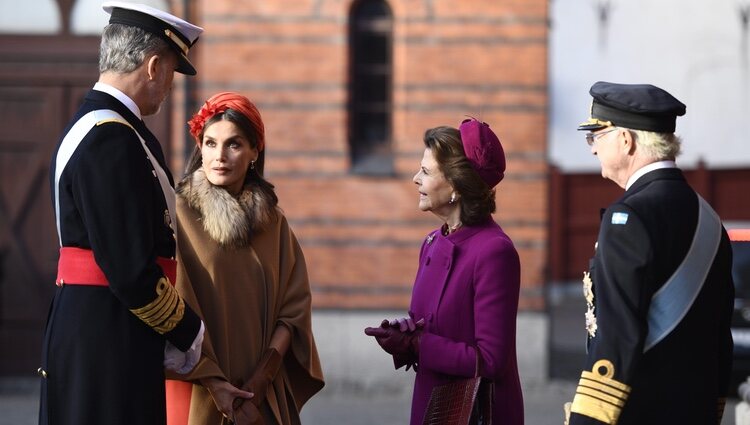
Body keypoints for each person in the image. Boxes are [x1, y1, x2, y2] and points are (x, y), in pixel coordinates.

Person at [41, 2, 206, 425]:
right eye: (171, 70)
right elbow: (131, 269)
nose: (169, 85)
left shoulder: (106, 127)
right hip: (108, 336)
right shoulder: (110, 138)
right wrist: (190, 333)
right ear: (153, 66)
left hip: (102, 328)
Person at [566, 82, 735, 425]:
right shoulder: (709, 217)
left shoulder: (627, 217)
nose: (593, 149)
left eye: (596, 136)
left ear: (625, 140)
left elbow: (617, 335)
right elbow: (720, 337)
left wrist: (588, 419)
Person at [165, 92, 325, 425]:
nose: (219, 156)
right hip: (196, 389)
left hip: (260, 393)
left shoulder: (273, 223)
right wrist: (214, 383)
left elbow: (293, 312)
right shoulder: (176, 216)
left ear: (255, 151)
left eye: (233, 144)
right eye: (210, 144)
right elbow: (168, 304)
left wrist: (261, 379)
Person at [364, 118, 524, 425]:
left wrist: (418, 345)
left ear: (455, 186)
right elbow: (431, 324)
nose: (415, 178)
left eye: (425, 172)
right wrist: (404, 333)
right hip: (432, 403)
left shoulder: (494, 251)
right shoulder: (433, 241)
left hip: (474, 412)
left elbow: (491, 361)